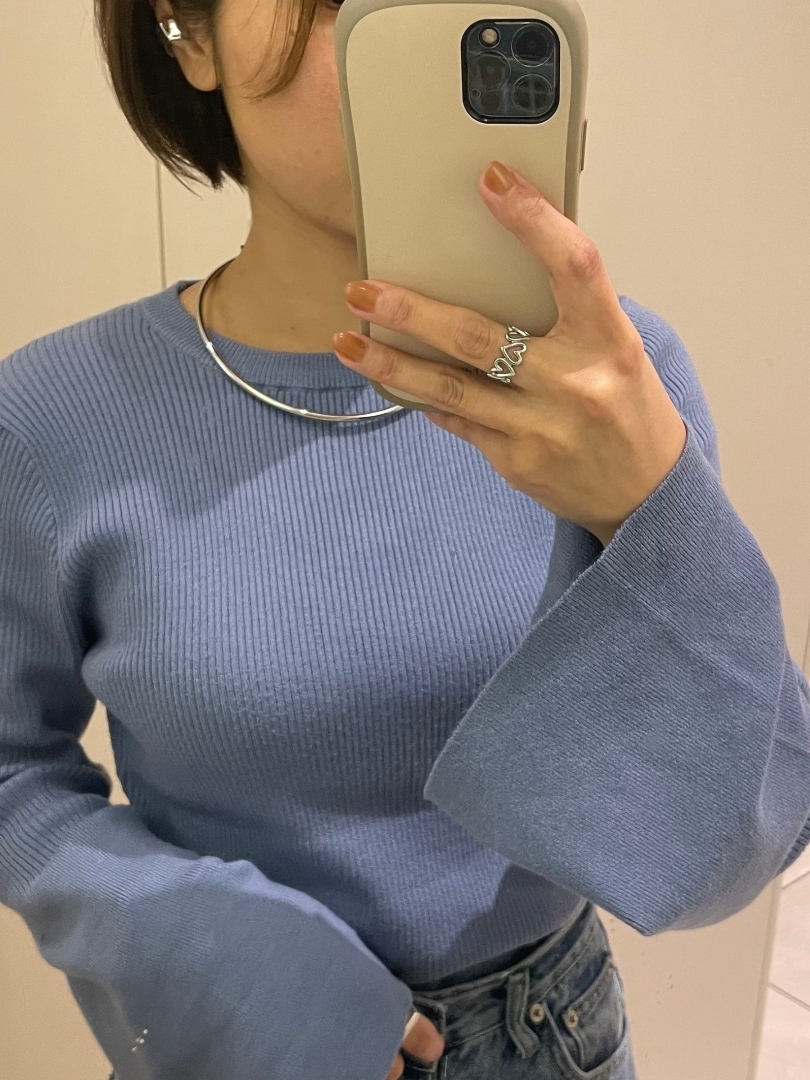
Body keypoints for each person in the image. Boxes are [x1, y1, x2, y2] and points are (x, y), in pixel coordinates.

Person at [1, 1, 808, 1078]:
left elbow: (730, 854)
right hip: (238, 1044)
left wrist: (648, 511)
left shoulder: (617, 393)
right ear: (190, 36)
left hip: (559, 1038)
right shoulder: (53, 419)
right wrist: (215, 957)